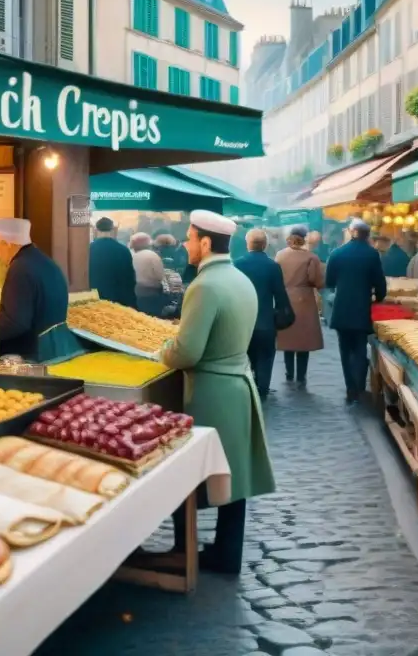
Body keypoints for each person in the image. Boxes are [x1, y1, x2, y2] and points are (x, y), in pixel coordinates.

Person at [162, 210, 275, 574]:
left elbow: (187, 351)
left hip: (212, 391)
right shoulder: (240, 279)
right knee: (234, 476)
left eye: (190, 237)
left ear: (206, 243)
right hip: (239, 385)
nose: (186, 243)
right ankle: (227, 553)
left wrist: (162, 349)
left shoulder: (204, 285)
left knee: (191, 473)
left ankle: (185, 551)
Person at [0, 218, 81, 362]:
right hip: (53, 353)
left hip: (29, 359)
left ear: (7, 244)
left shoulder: (20, 268)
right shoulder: (46, 263)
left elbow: (14, 324)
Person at [325, 219, 388, 402]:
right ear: (367, 235)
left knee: (344, 349)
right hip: (362, 308)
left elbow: (329, 281)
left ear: (351, 232)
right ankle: (360, 385)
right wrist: (380, 297)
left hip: (342, 308)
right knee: (360, 347)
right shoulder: (372, 254)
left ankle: (350, 387)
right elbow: (379, 282)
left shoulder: (337, 253)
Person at [234, 229, 289, 401]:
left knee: (246, 356)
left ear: (247, 244)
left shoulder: (237, 264)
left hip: (243, 321)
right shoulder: (272, 266)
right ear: (265, 245)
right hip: (266, 320)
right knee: (266, 356)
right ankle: (262, 389)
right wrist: (282, 311)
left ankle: (249, 386)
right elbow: (280, 294)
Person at [275, 226, 325, 386]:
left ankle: (289, 373)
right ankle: (301, 376)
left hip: (285, 298)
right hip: (305, 300)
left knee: (288, 338)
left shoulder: (280, 255)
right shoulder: (311, 257)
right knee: (303, 340)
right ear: (304, 239)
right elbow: (316, 280)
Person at [88, 217, 136, 308]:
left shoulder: (88, 249)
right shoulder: (123, 250)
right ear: (112, 229)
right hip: (119, 298)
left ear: (96, 229)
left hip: (95, 299)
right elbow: (130, 277)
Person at [129, 233, 166, 317]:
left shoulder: (131, 256)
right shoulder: (153, 256)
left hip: (135, 292)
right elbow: (160, 276)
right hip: (151, 293)